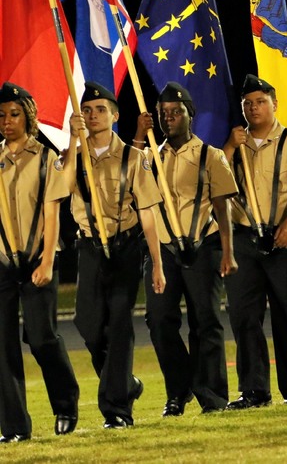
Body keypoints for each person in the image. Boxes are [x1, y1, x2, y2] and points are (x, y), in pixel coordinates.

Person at [133, 83, 239, 417]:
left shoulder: (211, 155)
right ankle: (178, 390)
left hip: (203, 244)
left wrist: (227, 250)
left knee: (205, 321)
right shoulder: (149, 157)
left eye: (176, 112)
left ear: (189, 114)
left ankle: (212, 394)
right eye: (163, 113)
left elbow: (223, 207)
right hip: (163, 249)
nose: (169, 118)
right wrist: (139, 135)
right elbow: (126, 178)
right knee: (159, 320)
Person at [69, 82, 166, 429]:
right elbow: (58, 190)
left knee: (120, 324)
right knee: (88, 324)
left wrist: (156, 263)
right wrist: (71, 141)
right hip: (90, 247)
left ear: (115, 115)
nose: (93, 115)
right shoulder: (74, 157)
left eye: (100, 109)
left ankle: (117, 411)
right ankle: (126, 384)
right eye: (88, 110)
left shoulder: (134, 158)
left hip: (126, 247)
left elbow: (148, 213)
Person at [222, 75, 287, 409]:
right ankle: (253, 390)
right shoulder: (233, 145)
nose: (253, 108)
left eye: (260, 101)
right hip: (245, 238)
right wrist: (231, 147)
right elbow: (217, 183)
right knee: (243, 317)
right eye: (247, 103)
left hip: (285, 237)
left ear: (274, 104)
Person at [0, 83, 79, 442]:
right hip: (2, 264)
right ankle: (15, 427)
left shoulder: (46, 160)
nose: (6, 121)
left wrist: (48, 262)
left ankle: (65, 403)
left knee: (42, 337)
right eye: (1, 115)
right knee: (2, 346)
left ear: (28, 117)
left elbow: (52, 217)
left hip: (37, 260)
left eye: (14, 114)